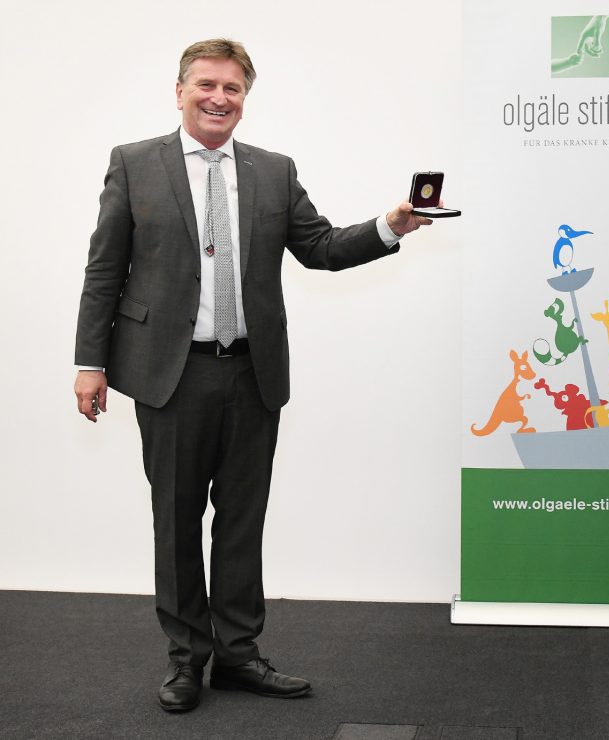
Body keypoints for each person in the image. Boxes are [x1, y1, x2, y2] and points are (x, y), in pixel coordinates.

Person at [73, 38, 434, 713]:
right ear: (179, 90)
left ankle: (238, 656)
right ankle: (187, 661)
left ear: (245, 98)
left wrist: (392, 226)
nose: (218, 98)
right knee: (177, 523)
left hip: (251, 375)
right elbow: (103, 272)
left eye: (233, 88)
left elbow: (321, 248)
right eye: (206, 85)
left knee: (242, 522)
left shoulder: (273, 171)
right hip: (168, 377)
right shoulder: (133, 165)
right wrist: (89, 363)